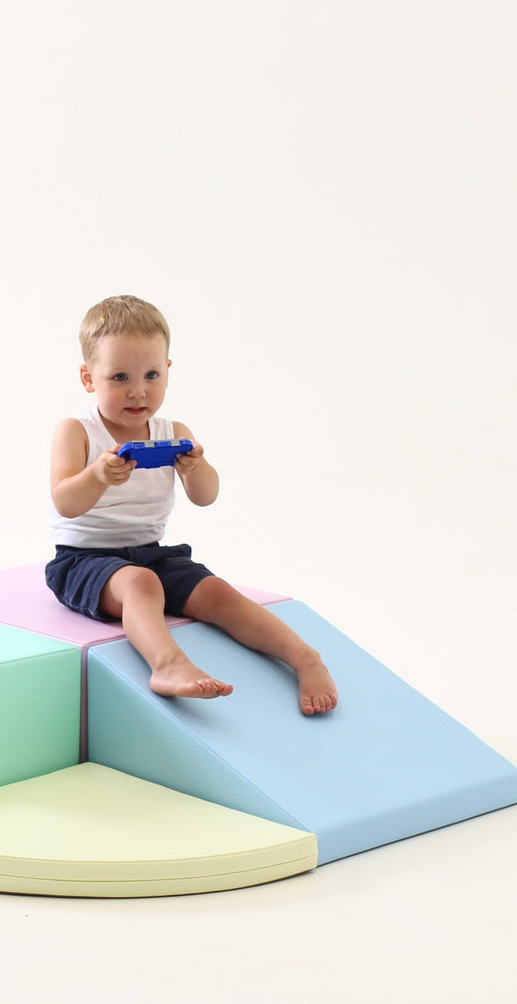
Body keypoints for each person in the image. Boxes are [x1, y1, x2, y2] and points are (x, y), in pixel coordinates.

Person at [46, 294, 339, 713]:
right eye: (119, 378)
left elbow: (206, 497)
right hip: (83, 560)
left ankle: (304, 656)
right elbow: (65, 502)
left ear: (167, 371)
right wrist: (97, 476)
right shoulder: (77, 431)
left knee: (216, 591)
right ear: (88, 378)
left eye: (150, 375)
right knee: (140, 584)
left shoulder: (172, 430)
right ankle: (168, 664)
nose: (138, 391)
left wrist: (193, 468)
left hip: (151, 555)